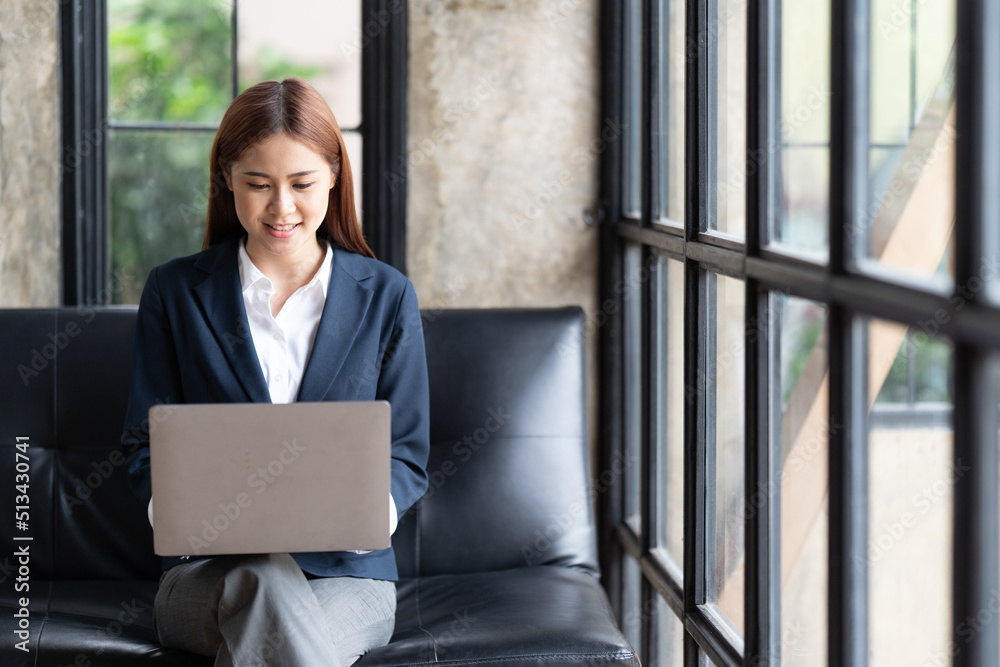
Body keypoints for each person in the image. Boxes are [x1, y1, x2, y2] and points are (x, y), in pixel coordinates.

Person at [120, 78, 430, 667]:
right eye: (258, 184)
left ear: (335, 176)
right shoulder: (176, 292)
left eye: (302, 183)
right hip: (206, 575)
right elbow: (142, 445)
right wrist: (184, 518)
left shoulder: (385, 295)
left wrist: (365, 516)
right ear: (227, 180)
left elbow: (408, 452)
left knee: (277, 625)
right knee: (261, 582)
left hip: (348, 577)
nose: (281, 207)